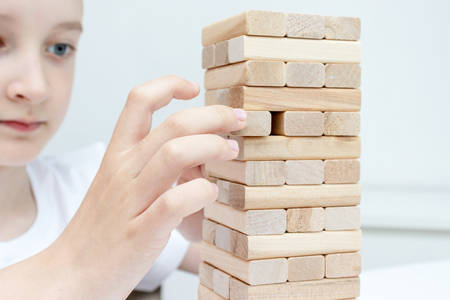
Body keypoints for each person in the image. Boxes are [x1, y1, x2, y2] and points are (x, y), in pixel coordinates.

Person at [0, 0, 247, 298]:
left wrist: (220, 225)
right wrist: (76, 266)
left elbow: (255, 262)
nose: (36, 87)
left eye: (60, 48)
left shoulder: (91, 187)